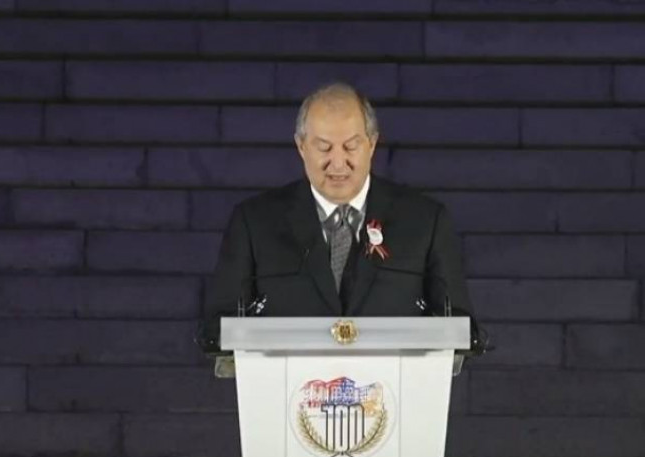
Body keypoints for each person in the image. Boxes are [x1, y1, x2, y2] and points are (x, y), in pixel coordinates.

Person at [198, 82, 477, 354]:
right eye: (324, 147)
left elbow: (461, 327)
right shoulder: (254, 223)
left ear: (372, 144)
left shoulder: (425, 221)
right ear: (301, 146)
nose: (339, 163)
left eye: (351, 146)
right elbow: (217, 329)